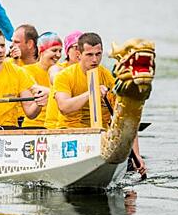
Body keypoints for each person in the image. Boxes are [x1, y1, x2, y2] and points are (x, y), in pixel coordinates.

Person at [53, 32, 146, 175]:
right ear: (79, 54)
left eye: (98, 54)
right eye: (89, 55)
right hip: (71, 135)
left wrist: (136, 154)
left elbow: (126, 118)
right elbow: (64, 107)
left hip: (101, 138)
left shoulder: (108, 77)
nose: (95, 59)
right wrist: (91, 93)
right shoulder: (64, 76)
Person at [22, 32, 63, 128]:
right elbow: (35, 90)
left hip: (56, 125)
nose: (58, 55)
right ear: (41, 50)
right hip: (33, 125)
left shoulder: (63, 70)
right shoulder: (26, 71)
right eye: (54, 50)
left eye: (60, 51)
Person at [44, 30, 83, 129]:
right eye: (76, 47)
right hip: (55, 126)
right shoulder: (57, 68)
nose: (80, 51)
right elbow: (55, 77)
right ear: (67, 51)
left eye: (83, 48)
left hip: (79, 126)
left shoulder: (89, 72)